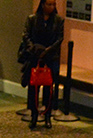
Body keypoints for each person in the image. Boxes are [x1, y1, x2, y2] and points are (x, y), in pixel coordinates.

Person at [20, 0, 64, 128]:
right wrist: (36, 50)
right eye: (49, 4)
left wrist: (47, 51)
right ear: (43, 4)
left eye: (53, 5)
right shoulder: (32, 19)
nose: (51, 7)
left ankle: (47, 116)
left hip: (50, 58)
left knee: (49, 89)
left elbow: (59, 39)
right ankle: (34, 115)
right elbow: (26, 36)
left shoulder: (58, 20)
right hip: (35, 57)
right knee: (34, 87)